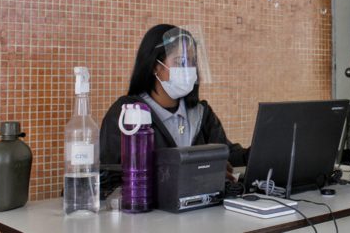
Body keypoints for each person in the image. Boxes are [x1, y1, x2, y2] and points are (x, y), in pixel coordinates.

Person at [100, 24, 248, 181]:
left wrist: (262, 151)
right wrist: (191, 172)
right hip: (152, 206)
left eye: (192, 62)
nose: (189, 70)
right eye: (180, 62)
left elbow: (228, 155)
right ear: (155, 66)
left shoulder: (200, 113)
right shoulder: (127, 114)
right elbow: (111, 175)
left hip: (205, 205)